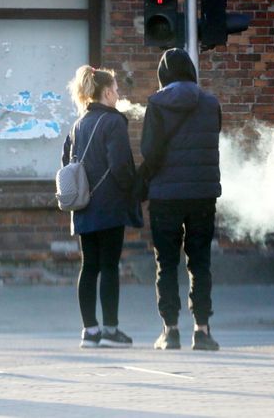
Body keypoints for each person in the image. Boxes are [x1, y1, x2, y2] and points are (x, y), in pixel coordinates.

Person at [138, 48, 222, 351]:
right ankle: (202, 330)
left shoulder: (157, 104)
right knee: (200, 263)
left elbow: (150, 151)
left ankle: (170, 331)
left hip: (165, 195)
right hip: (202, 194)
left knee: (167, 262)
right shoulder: (211, 104)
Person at [62, 65, 143, 348]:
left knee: (89, 267)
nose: (119, 94)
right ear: (107, 92)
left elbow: (67, 163)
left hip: (83, 205)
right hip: (109, 205)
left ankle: (90, 331)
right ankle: (110, 330)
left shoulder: (78, 124)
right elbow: (120, 165)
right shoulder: (113, 122)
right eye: (117, 90)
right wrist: (134, 191)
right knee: (110, 266)